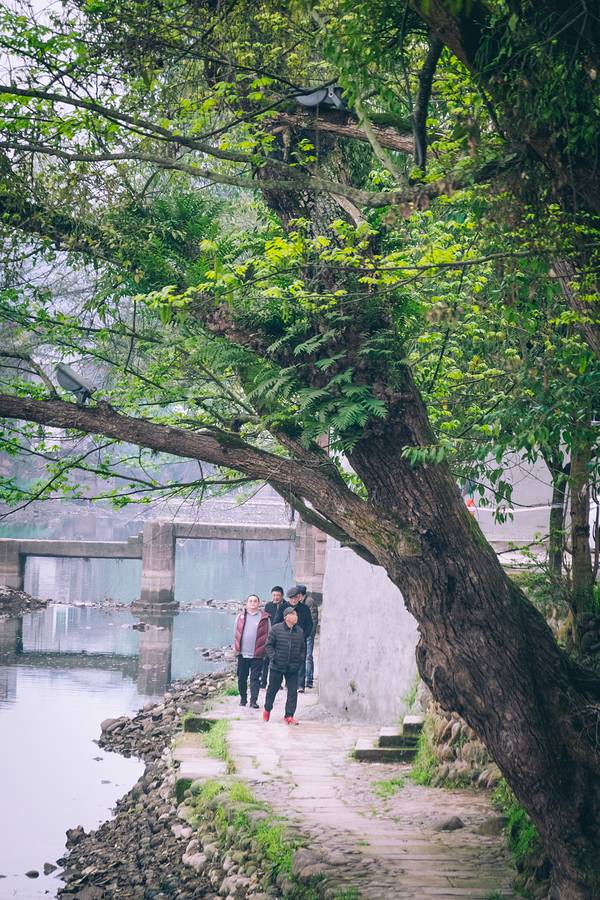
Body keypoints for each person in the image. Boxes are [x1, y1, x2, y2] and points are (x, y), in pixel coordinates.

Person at [263, 606, 305, 725]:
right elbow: (268, 646)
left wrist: (299, 660)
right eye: (293, 614)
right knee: (272, 689)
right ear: (286, 617)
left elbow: (303, 648)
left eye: (296, 614)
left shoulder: (299, 631)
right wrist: (274, 657)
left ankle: (289, 715)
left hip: (293, 667)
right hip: (277, 666)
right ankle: (267, 709)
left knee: (292, 692)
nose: (296, 617)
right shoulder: (276, 629)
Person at [233, 594, 270, 709]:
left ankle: (253, 701)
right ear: (246, 603)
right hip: (242, 654)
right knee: (242, 678)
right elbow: (236, 633)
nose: (253, 603)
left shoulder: (264, 618)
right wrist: (236, 648)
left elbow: (269, 634)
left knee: (255, 678)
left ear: (259, 603)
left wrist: (266, 650)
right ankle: (243, 699)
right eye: (250, 601)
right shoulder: (240, 617)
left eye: (255, 601)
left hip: (257, 654)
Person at [282, 585, 313, 692]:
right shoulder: (283, 607)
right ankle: (288, 683)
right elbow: (277, 622)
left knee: (301, 661)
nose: (294, 600)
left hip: (300, 639)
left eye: (296, 598)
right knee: (287, 661)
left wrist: (304, 635)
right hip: (286, 639)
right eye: (291, 598)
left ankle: (300, 685)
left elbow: (310, 624)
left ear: (299, 597)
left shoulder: (305, 609)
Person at [260, 585, 285, 689]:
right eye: (274, 595)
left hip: (281, 637)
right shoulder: (268, 606)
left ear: (282, 596)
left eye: (278, 595)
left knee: (278, 660)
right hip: (269, 636)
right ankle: (263, 682)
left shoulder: (286, 606)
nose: (276, 597)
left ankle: (277, 684)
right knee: (265, 660)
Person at [304, 593, 319, 689]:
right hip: (302, 633)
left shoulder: (309, 602)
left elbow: (314, 620)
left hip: (308, 634)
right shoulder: (303, 601)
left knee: (308, 657)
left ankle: (309, 680)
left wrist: (310, 633)